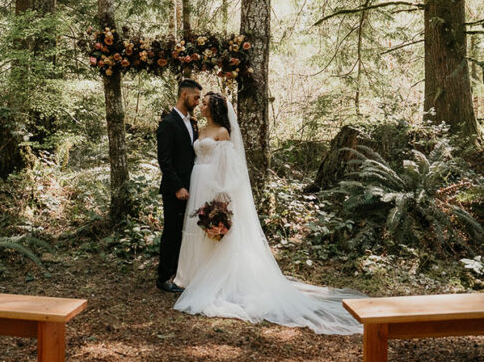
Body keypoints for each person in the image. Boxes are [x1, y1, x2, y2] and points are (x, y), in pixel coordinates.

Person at [173, 91, 363, 335]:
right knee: (196, 231)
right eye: (203, 103)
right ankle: (193, 275)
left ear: (215, 109)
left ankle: (214, 281)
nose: (203, 106)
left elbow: (226, 167)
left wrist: (220, 194)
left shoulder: (222, 133)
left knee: (212, 230)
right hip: (197, 179)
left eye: (207, 104)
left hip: (211, 183)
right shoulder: (199, 130)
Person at [155, 78, 202, 293]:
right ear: (184, 95)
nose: (198, 102)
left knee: (188, 231)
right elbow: (164, 160)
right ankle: (164, 277)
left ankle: (181, 272)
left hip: (194, 186)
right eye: (196, 97)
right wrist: (177, 187)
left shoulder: (192, 123)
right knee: (172, 232)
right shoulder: (168, 123)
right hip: (175, 189)